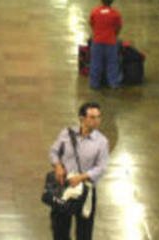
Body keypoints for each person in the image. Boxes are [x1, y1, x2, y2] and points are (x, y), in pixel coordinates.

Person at [48, 102, 110, 240]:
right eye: (92, 117)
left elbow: (102, 167)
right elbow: (53, 151)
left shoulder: (102, 142)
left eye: (98, 117)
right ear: (82, 119)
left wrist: (81, 177)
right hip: (64, 187)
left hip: (85, 192)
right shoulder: (66, 133)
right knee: (59, 229)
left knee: (84, 232)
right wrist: (57, 166)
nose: (97, 121)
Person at [88, 0, 122, 90]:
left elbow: (91, 23)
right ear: (112, 1)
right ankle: (113, 83)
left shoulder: (95, 12)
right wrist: (114, 35)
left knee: (95, 63)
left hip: (97, 41)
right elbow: (118, 27)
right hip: (111, 41)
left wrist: (97, 32)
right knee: (112, 63)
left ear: (101, 0)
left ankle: (94, 84)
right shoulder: (115, 14)